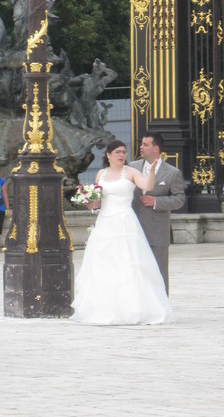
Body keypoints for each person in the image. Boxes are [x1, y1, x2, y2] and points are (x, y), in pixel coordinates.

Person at [71, 140, 174, 325]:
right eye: (117, 152)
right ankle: (105, 309)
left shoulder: (132, 172)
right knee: (105, 265)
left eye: (124, 152)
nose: (121, 155)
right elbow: (99, 202)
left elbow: (148, 187)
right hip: (105, 222)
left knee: (129, 265)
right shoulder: (101, 174)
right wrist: (90, 203)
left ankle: (133, 309)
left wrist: (150, 172)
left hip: (125, 222)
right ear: (109, 155)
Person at [129, 131, 185, 294]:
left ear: (156, 149)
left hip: (157, 230)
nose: (141, 147)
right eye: (141, 144)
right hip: (134, 228)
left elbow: (179, 199)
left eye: (145, 144)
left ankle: (162, 307)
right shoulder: (132, 167)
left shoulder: (172, 172)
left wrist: (157, 202)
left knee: (159, 271)